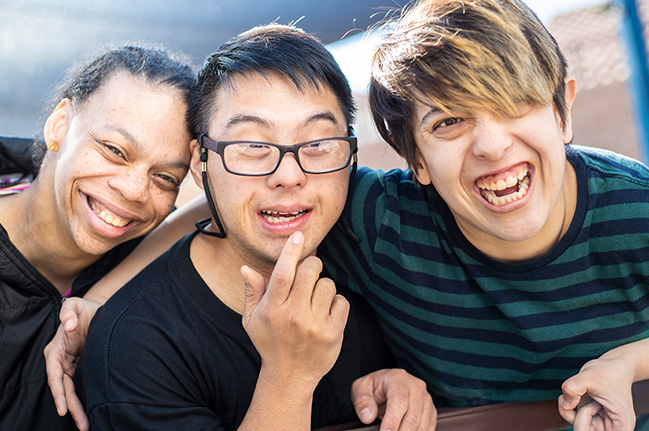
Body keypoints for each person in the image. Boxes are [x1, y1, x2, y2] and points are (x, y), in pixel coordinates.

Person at [74, 24, 434, 431]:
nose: (289, 175)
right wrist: (288, 377)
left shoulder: (365, 261)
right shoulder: (136, 345)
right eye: (252, 146)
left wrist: (393, 387)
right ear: (200, 162)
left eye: (317, 144)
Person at [317, 0, 649, 430]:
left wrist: (629, 361)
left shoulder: (637, 211)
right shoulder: (383, 225)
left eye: (513, 102)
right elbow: (237, 211)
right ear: (415, 159)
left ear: (562, 112)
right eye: (449, 121)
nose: (491, 145)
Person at [0, 45, 196, 431]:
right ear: (60, 125)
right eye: (114, 150)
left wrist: (97, 299)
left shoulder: (143, 266)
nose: (135, 190)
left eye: (166, 178)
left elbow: (211, 212)